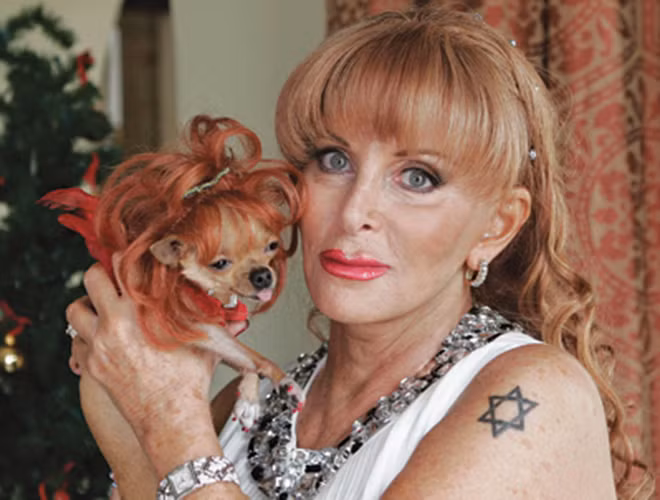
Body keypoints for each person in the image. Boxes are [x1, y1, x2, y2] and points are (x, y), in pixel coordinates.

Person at [66, 4, 652, 499]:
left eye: (418, 177)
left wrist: (169, 420)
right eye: (334, 160)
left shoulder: (536, 397)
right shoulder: (250, 410)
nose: (355, 212)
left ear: (496, 227)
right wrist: (124, 415)